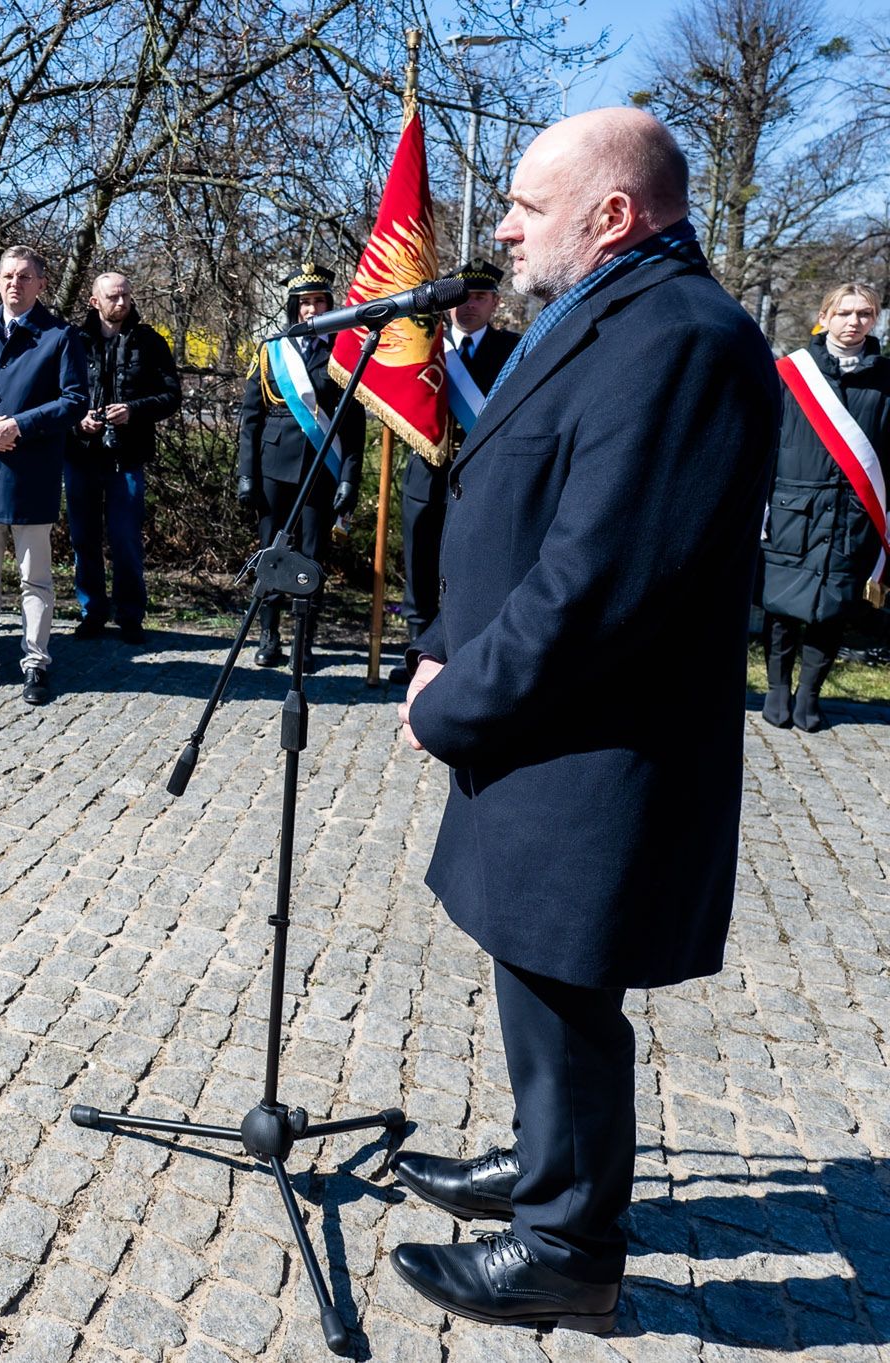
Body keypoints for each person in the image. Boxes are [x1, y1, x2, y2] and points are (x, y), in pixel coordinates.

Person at [389, 108, 781, 1334]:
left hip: (593, 737)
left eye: (523, 204)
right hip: (540, 722)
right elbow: (511, 497)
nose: (499, 226)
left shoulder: (682, 338)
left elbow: (597, 581)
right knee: (532, 962)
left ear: (613, 214)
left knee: (565, 980)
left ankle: (567, 1246)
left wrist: (455, 698)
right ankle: (542, 1157)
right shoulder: (603, 314)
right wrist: (444, 638)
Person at [0, 245, 89, 706]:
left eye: (25, 277)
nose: (15, 284)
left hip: (31, 475)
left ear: (41, 284)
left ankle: (35, 663)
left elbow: (74, 401)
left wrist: (19, 426)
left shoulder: (60, 336)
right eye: (8, 275)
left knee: (34, 579)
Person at [760, 281, 888, 733]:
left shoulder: (885, 380)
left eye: (865, 314)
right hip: (794, 508)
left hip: (853, 515)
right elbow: (763, 441)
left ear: (875, 320)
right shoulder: (790, 373)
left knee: (832, 610)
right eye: (845, 313)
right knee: (781, 606)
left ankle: (810, 695)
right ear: (825, 315)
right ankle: (777, 689)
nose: (854, 322)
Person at [389, 260, 520, 685]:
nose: (469, 305)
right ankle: (417, 653)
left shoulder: (517, 349)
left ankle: (463, 658)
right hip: (427, 472)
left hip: (485, 479)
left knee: (472, 568)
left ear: (496, 303)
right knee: (422, 563)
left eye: (479, 296)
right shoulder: (424, 347)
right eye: (461, 297)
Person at [236, 263, 365, 667]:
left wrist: (349, 477)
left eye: (319, 301)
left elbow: (355, 424)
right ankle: (269, 635)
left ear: (330, 305)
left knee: (311, 557)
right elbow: (250, 419)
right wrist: (246, 474)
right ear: (293, 307)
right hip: (274, 468)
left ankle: (303, 640)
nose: (312, 309)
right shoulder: (271, 349)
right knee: (271, 553)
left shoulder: (344, 352)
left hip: (320, 470)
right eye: (305, 302)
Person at [67, 271, 181, 646]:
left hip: (127, 457)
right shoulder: (73, 341)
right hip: (81, 455)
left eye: (125, 296)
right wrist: (77, 423)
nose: (121, 303)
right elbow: (56, 397)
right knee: (84, 539)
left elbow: (171, 396)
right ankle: (92, 612)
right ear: (93, 300)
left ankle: (130, 615)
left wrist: (133, 410)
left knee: (125, 539)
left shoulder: (149, 342)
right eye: (113, 297)